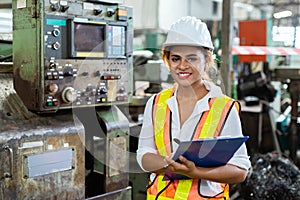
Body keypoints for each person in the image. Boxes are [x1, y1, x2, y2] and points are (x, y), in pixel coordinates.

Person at [136, 16, 251, 200]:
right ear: (167, 61)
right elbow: (143, 155)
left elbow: (240, 170)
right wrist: (168, 165)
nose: (182, 66)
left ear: (206, 60)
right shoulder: (156, 103)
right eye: (175, 58)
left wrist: (196, 172)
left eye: (191, 58)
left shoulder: (224, 107)